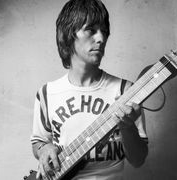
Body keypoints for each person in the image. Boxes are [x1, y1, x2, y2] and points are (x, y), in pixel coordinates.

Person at [30, 0, 148, 179]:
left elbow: (138, 160)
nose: (101, 38)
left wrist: (128, 126)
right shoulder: (47, 94)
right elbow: (38, 141)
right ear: (68, 35)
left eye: (104, 32)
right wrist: (44, 148)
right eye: (91, 30)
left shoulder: (126, 91)